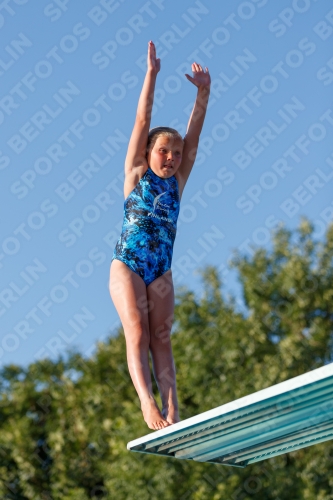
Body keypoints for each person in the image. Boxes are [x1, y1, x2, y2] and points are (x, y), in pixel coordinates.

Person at [109, 41, 210, 431]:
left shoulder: (179, 181)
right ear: (150, 152)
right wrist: (151, 75)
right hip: (128, 264)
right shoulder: (136, 174)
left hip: (161, 269)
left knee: (162, 338)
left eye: (176, 154)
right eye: (164, 151)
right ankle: (147, 405)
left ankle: (172, 413)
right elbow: (141, 121)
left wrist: (203, 93)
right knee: (137, 328)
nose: (171, 158)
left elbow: (194, 138)